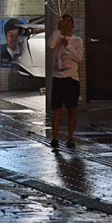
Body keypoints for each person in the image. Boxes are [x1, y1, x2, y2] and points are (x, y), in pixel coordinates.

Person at [47, 13, 84, 149]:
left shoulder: (77, 40)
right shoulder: (57, 37)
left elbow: (79, 58)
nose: (66, 23)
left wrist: (68, 46)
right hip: (58, 77)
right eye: (64, 21)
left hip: (72, 78)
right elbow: (50, 45)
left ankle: (70, 137)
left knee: (72, 109)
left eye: (69, 21)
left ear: (73, 25)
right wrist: (57, 29)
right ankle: (55, 138)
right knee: (56, 109)